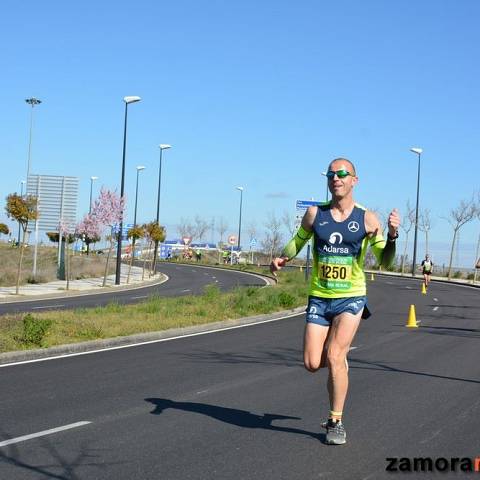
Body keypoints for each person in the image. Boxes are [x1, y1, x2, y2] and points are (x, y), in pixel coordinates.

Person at [270, 157, 400, 446]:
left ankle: (335, 420)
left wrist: (392, 237)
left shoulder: (368, 219)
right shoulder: (315, 214)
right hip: (320, 296)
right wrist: (282, 257)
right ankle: (338, 365)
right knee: (312, 363)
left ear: (354, 180)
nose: (336, 178)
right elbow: (298, 240)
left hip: (351, 297)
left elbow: (386, 261)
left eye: (342, 174)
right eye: (331, 174)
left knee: (335, 356)